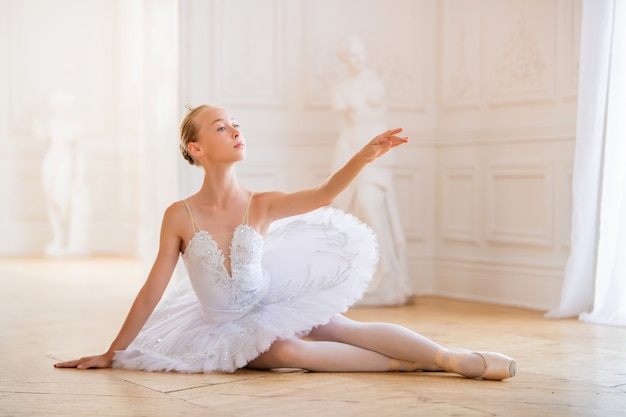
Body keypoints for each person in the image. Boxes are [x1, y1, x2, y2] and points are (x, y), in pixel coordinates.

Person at [54, 105, 516, 380]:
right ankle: (410, 366)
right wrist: (112, 351)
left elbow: (323, 195)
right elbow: (153, 288)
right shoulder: (180, 215)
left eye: (235, 123)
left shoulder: (261, 203)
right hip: (222, 327)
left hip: (271, 302)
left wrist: (364, 155)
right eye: (220, 127)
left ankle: (451, 359)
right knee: (286, 352)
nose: (235, 130)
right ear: (195, 149)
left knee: (341, 327)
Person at [331, 35, 411, 305]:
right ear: (344, 58)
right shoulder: (341, 86)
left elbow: (372, 103)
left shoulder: (374, 81)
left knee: (369, 203)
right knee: (348, 210)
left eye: (361, 53)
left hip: (376, 146)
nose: (358, 59)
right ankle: (361, 280)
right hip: (350, 146)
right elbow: (343, 110)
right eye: (352, 55)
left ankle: (386, 278)